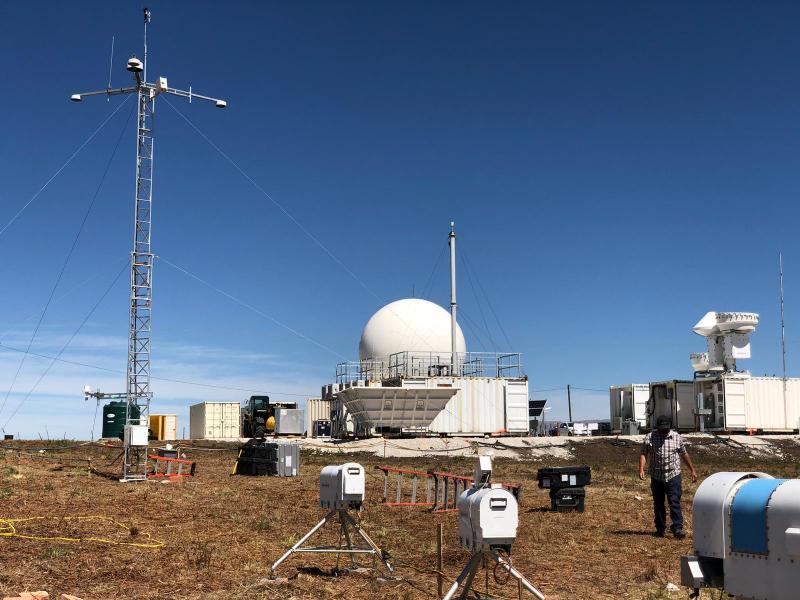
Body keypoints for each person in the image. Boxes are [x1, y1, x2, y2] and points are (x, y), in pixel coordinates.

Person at [639, 415, 698, 539]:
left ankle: (677, 528)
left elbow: (684, 454)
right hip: (657, 476)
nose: (664, 431)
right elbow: (644, 453)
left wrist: (692, 470)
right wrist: (641, 468)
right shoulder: (650, 437)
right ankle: (660, 528)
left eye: (666, 429)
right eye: (661, 429)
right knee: (658, 503)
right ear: (657, 428)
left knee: (674, 501)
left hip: (673, 475)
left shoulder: (676, 437)